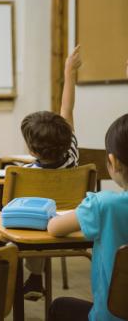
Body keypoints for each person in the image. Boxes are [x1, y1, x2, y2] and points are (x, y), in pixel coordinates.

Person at [48, 113, 128, 321]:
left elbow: (54, 228)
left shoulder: (103, 205)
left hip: (111, 317)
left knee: (58, 306)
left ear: (113, 162)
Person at [21, 45, 82, 300]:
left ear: (31, 150)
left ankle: (33, 277)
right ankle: (35, 278)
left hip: (36, 230)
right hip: (72, 219)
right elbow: (67, 108)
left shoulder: (24, 173)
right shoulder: (73, 156)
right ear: (67, 139)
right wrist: (69, 72)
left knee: (25, 228)